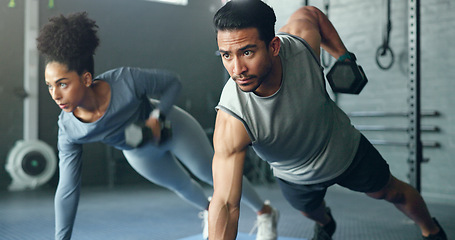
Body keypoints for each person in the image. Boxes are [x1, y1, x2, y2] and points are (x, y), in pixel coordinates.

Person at [208, 1, 447, 240]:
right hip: (294, 174)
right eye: (227, 55)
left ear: (273, 46)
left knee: (392, 192)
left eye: (247, 52)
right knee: (309, 212)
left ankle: (433, 230)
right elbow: (227, 205)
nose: (237, 69)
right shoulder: (233, 118)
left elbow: (310, 14)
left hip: (342, 147)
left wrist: (344, 58)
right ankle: (326, 222)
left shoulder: (300, 44)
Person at [36, 12, 279, 240]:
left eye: (62, 84)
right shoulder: (69, 130)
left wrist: (156, 116)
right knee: (181, 186)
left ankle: (264, 212)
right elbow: (67, 189)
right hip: (138, 150)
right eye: (49, 86)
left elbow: (172, 83)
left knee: (215, 175)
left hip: (172, 128)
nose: (55, 94)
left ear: (86, 79)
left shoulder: (125, 80)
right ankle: (211, 211)